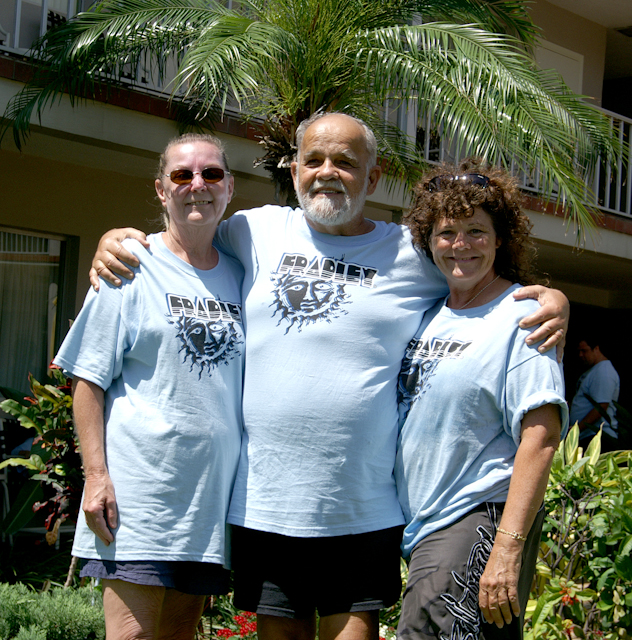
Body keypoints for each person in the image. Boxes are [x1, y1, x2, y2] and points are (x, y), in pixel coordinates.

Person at [88, 113, 569, 640]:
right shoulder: (252, 230)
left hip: (361, 507)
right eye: (314, 160)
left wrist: (552, 299)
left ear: (374, 177)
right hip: (267, 504)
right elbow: (186, 235)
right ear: (294, 170)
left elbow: (478, 272)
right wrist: (116, 241)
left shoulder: (412, 252)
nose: (327, 172)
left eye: (344, 161)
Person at [54, 133, 244, 640]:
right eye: (182, 175)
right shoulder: (130, 267)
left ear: (230, 188)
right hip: (141, 497)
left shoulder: (243, 275)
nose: (197, 185)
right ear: (161, 191)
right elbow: (87, 380)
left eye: (211, 174)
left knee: (180, 635)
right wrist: (96, 475)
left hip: (208, 503)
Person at [395, 160, 569, 640]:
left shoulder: (523, 315)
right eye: (447, 232)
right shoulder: (430, 313)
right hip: (425, 525)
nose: (460, 245)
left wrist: (508, 548)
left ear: (499, 239)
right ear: (428, 241)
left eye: (476, 231)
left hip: (475, 515)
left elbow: (542, 433)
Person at [569, 335, 620, 450]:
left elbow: (601, 407)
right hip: (588, 437)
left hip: (598, 438)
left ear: (596, 349)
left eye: (584, 351)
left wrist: (575, 430)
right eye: (579, 351)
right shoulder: (593, 370)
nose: (580, 355)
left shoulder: (604, 371)